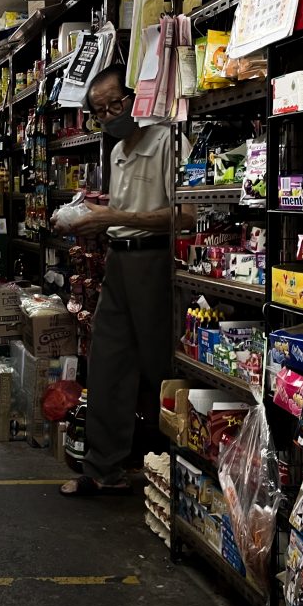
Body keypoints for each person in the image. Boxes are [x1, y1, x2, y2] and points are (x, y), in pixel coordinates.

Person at [58, 64, 193, 496]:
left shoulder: (168, 140)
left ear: (136, 98)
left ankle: (181, 470)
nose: (109, 116)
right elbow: (117, 217)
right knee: (107, 362)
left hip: (155, 262)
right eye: (99, 112)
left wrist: (115, 217)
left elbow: (187, 216)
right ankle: (103, 468)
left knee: (160, 366)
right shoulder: (116, 152)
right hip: (118, 260)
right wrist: (89, 221)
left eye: (115, 105)